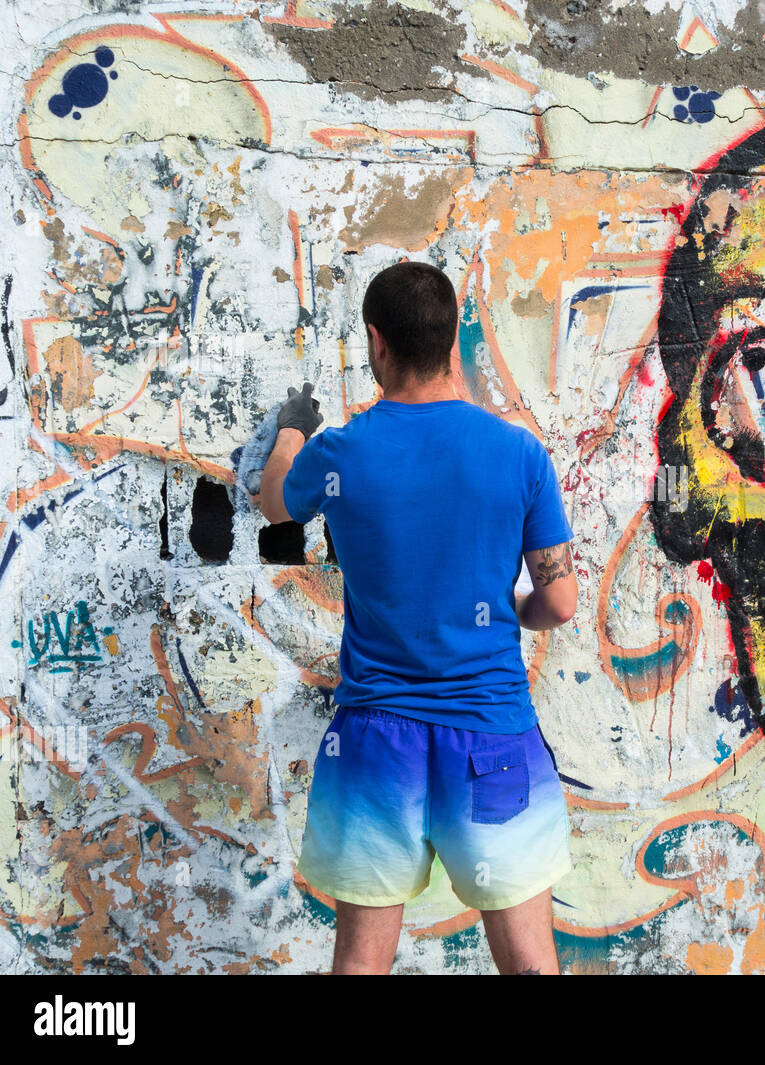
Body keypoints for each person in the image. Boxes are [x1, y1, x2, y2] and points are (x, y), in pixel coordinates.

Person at [257, 261, 578, 974]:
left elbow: (276, 500)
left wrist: (290, 432)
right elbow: (558, 601)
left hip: (375, 747)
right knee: (528, 961)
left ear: (376, 340)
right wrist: (516, 608)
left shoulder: (343, 452)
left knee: (361, 964)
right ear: (451, 340)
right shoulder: (517, 451)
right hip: (491, 739)